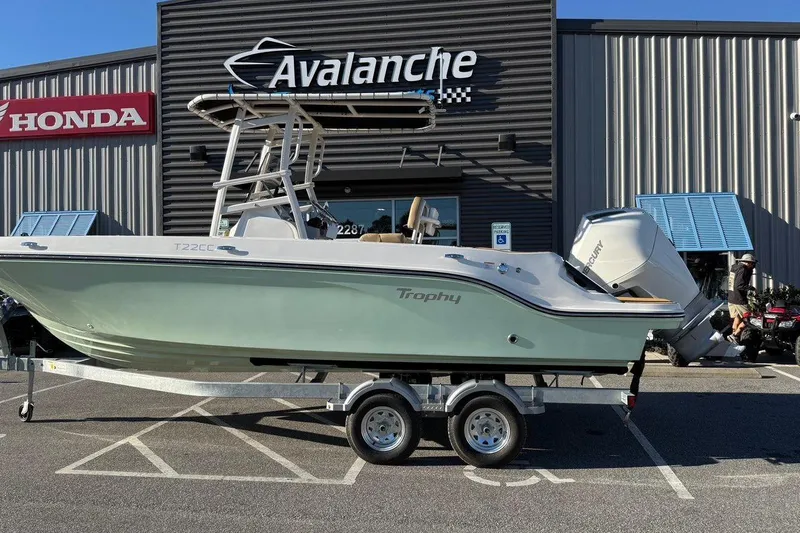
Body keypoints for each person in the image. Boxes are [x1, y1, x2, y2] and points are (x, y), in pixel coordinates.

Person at [727, 253, 757, 344]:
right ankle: (735, 335)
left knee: (738, 317)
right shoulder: (742, 269)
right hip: (739, 299)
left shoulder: (735, 268)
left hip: (731, 298)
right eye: (752, 263)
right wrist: (751, 288)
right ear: (748, 262)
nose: (753, 266)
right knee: (749, 318)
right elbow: (739, 285)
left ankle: (733, 338)